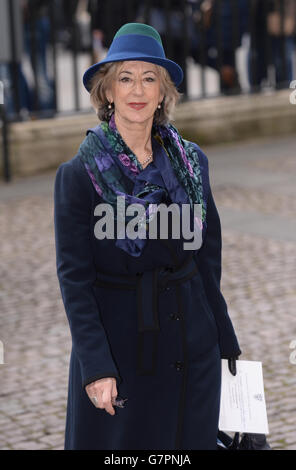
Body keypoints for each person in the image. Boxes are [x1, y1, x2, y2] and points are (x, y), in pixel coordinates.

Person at [54, 22, 241, 451]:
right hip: (122, 354)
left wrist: (222, 338)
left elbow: (206, 256)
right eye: (125, 77)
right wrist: (97, 367)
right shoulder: (78, 176)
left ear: (163, 93)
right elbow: (74, 280)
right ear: (107, 92)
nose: (137, 89)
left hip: (191, 347)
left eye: (149, 77)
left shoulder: (192, 163)